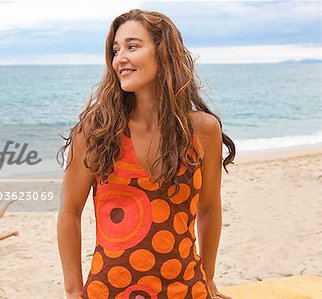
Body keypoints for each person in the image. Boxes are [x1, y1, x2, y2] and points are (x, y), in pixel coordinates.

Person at [57, 9, 235, 299]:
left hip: (186, 290)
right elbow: (69, 212)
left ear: (163, 52)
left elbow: (210, 209)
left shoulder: (203, 129)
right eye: (115, 50)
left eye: (132, 46)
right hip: (109, 291)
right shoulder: (97, 130)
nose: (119, 59)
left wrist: (209, 278)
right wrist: (73, 290)